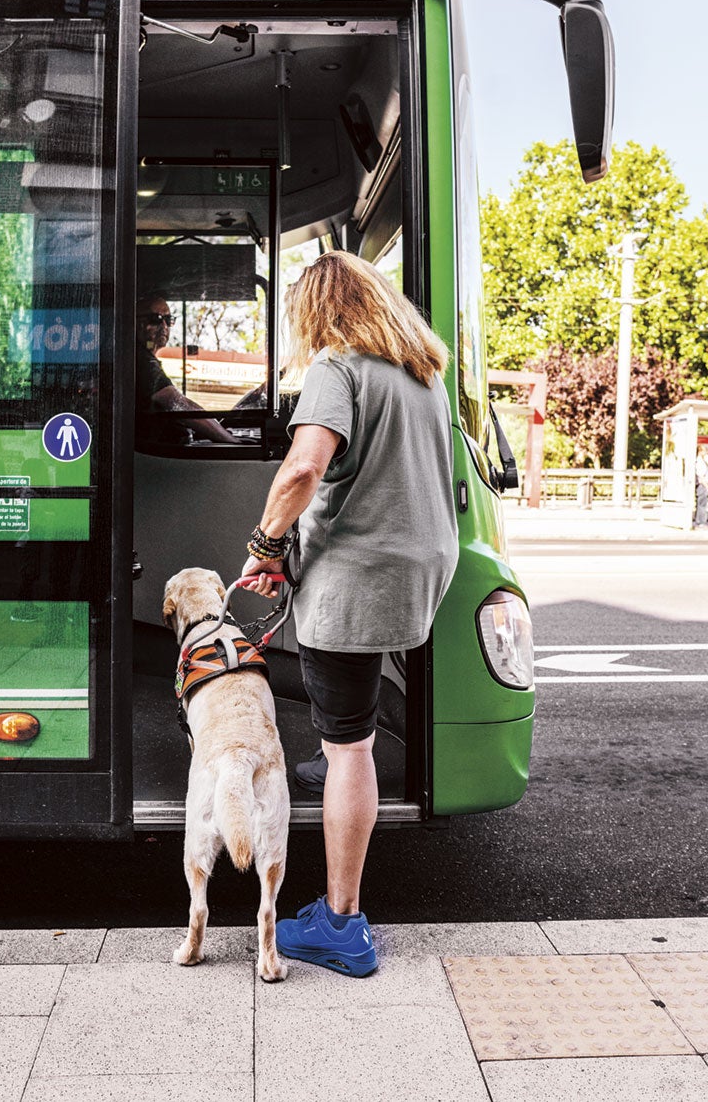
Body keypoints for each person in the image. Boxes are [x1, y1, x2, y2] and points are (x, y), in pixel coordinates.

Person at [241, 252, 458, 976]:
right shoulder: (422, 373)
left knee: (350, 749)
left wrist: (264, 545)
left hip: (358, 578)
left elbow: (304, 467)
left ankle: (341, 922)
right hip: (418, 569)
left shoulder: (337, 368)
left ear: (317, 312)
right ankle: (329, 762)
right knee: (350, 719)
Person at [135, 293, 236, 443]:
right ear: (137, 322)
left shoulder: (144, 358)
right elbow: (174, 402)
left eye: (168, 320)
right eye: (156, 319)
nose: (164, 327)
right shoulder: (139, 359)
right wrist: (229, 440)